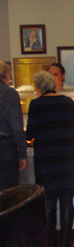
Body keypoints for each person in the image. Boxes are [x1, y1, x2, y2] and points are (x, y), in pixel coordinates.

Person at [26, 70, 74, 247]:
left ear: (38, 87)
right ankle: (66, 245)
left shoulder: (36, 105)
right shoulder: (68, 102)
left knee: (48, 201)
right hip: (68, 156)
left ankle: (50, 244)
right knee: (67, 201)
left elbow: (31, 133)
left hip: (47, 156)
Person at [0, 61, 27, 191]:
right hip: (5, 149)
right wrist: (22, 154)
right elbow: (16, 127)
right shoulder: (10, 94)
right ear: (6, 74)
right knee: (8, 193)